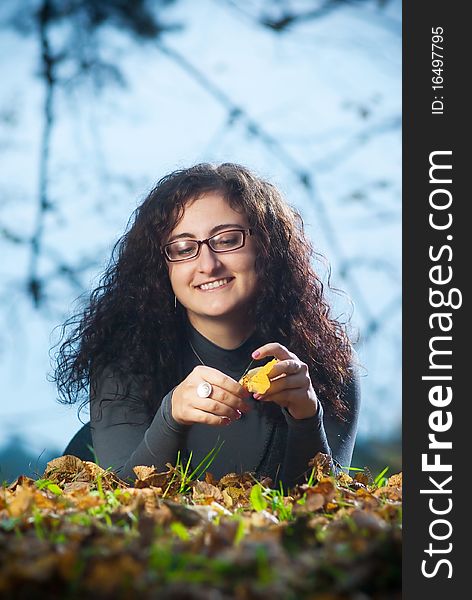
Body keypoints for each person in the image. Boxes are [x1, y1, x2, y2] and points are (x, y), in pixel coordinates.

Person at [53, 163, 361, 489]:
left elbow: (325, 508)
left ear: (267, 248)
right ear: (162, 267)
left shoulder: (329, 363)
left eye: (228, 240)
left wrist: (306, 418)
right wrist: (170, 415)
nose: (208, 265)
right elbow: (121, 499)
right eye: (184, 249)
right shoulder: (122, 360)